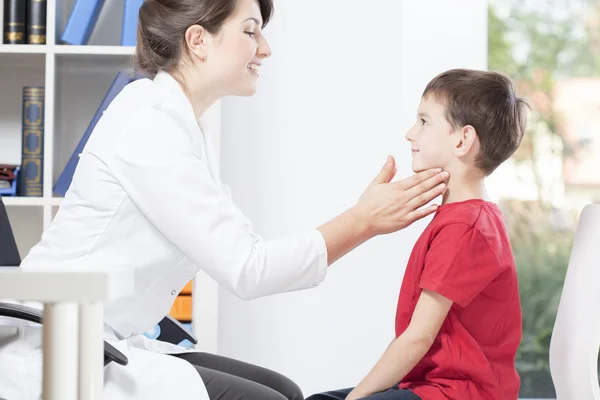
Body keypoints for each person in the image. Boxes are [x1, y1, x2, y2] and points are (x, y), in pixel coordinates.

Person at [0, 0, 450, 400]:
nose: (265, 48)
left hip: (106, 339)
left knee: (286, 392)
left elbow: (242, 246)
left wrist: (362, 220)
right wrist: (362, 221)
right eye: (251, 30)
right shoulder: (148, 124)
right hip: (58, 349)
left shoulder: (183, 126)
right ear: (198, 40)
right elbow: (248, 269)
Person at [307, 69, 528, 400]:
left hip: (458, 393)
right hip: (432, 385)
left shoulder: (465, 227)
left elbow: (417, 337)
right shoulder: (465, 218)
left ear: (462, 140)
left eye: (424, 122)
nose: (411, 134)